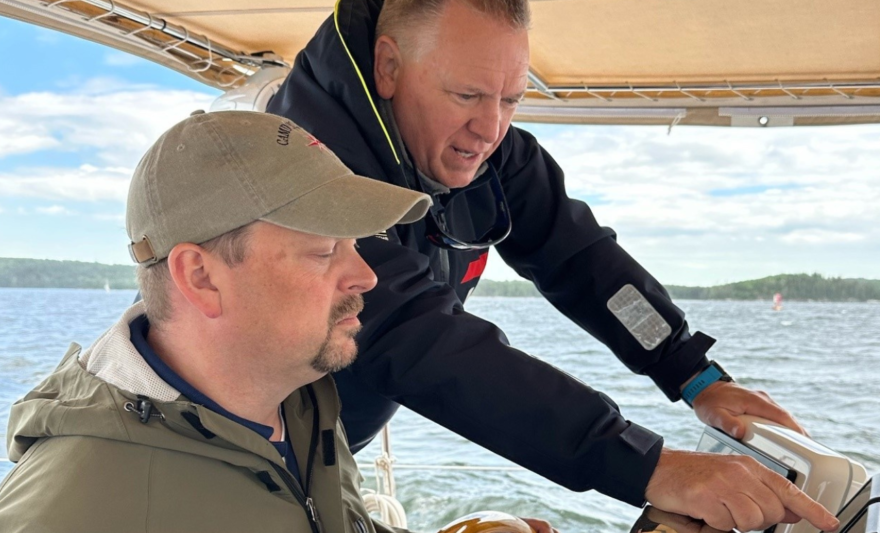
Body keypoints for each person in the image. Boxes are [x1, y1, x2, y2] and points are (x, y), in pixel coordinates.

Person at [268, 0, 839, 533]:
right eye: (467, 96)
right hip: (242, 451)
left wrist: (693, 374)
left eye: (510, 99)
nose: (490, 130)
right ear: (389, 66)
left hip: (331, 454)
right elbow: (417, 339)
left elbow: (582, 258)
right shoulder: (303, 166)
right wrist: (647, 465)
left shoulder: (487, 152)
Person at [0, 111, 546, 532]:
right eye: (325, 248)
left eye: (357, 244)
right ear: (202, 277)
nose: (366, 276)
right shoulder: (73, 512)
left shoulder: (299, 397)